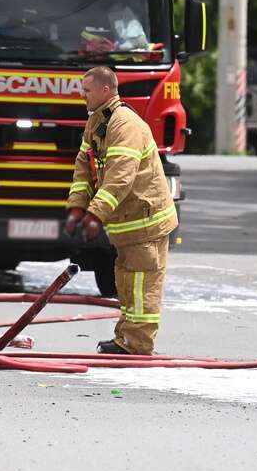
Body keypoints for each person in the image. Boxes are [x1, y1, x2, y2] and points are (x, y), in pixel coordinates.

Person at [65, 65, 178, 354]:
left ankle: (138, 344)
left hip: (146, 222)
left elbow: (120, 177)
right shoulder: (97, 123)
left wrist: (96, 213)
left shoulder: (125, 125)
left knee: (141, 286)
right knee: (127, 282)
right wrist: (77, 208)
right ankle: (125, 338)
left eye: (87, 91)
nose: (83, 96)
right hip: (128, 224)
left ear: (105, 90)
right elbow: (83, 168)